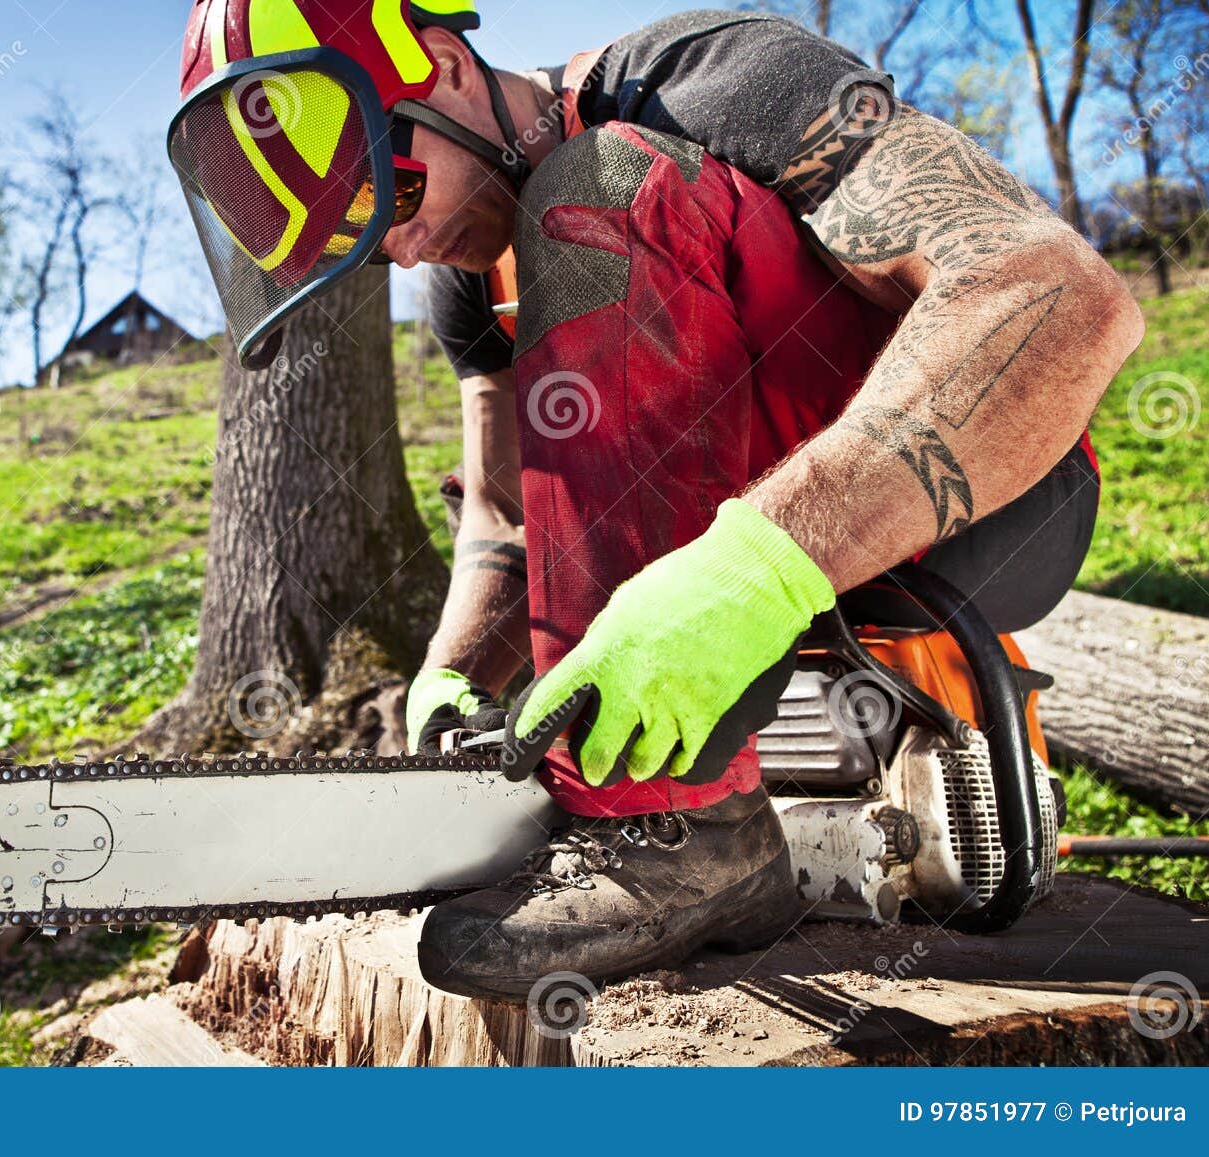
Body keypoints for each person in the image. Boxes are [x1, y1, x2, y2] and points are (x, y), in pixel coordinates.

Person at [169, 0, 1142, 1001]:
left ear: (446, 66)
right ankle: (682, 815)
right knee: (571, 206)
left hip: (994, 497)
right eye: (370, 240)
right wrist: (450, 674)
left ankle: (676, 830)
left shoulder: (706, 76)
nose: (407, 248)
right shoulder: (469, 267)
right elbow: (506, 510)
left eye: (397, 191)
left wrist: (754, 570)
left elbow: (1055, 292)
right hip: (779, 527)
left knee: (595, 185)